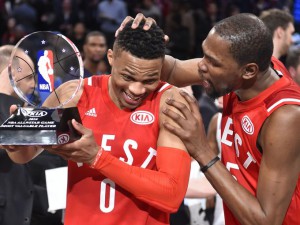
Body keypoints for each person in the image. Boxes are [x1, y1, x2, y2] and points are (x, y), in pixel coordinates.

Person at [3, 19, 191, 225]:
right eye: (127, 77)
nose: (137, 90)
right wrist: (16, 142)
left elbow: (172, 195)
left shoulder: (170, 102)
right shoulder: (74, 93)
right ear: (111, 57)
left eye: (149, 80)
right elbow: (24, 155)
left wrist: (98, 158)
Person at [120, 13, 300, 225]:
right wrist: (142, 44)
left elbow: (265, 222)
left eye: (213, 62)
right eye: (204, 55)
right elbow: (174, 69)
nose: (202, 66)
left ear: (249, 71)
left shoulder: (285, 116)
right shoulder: (249, 69)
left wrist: (201, 149)